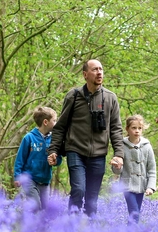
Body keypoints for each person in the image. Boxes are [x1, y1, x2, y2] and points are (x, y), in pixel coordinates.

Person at [47, 59, 124, 216]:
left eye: (101, 69)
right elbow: (60, 126)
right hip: (75, 151)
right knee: (78, 190)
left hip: (99, 155)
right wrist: (53, 150)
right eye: (95, 69)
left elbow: (116, 129)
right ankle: (71, 227)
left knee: (92, 199)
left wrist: (119, 155)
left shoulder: (110, 98)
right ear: (85, 74)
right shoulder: (74, 96)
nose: (99, 72)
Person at [14, 106, 62, 211]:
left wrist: (55, 161)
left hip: (45, 180)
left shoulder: (54, 139)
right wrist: (17, 176)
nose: (56, 123)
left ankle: (36, 226)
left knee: (44, 210)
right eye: (54, 120)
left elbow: (59, 159)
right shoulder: (29, 138)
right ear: (45, 122)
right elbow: (20, 159)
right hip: (30, 179)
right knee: (35, 205)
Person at [112, 115, 156, 223]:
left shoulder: (147, 146)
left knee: (136, 214)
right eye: (134, 128)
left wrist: (150, 187)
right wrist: (116, 166)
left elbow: (152, 169)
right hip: (127, 186)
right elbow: (117, 170)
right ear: (127, 129)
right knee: (134, 212)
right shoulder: (121, 145)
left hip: (141, 186)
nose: (137, 131)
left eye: (139, 128)